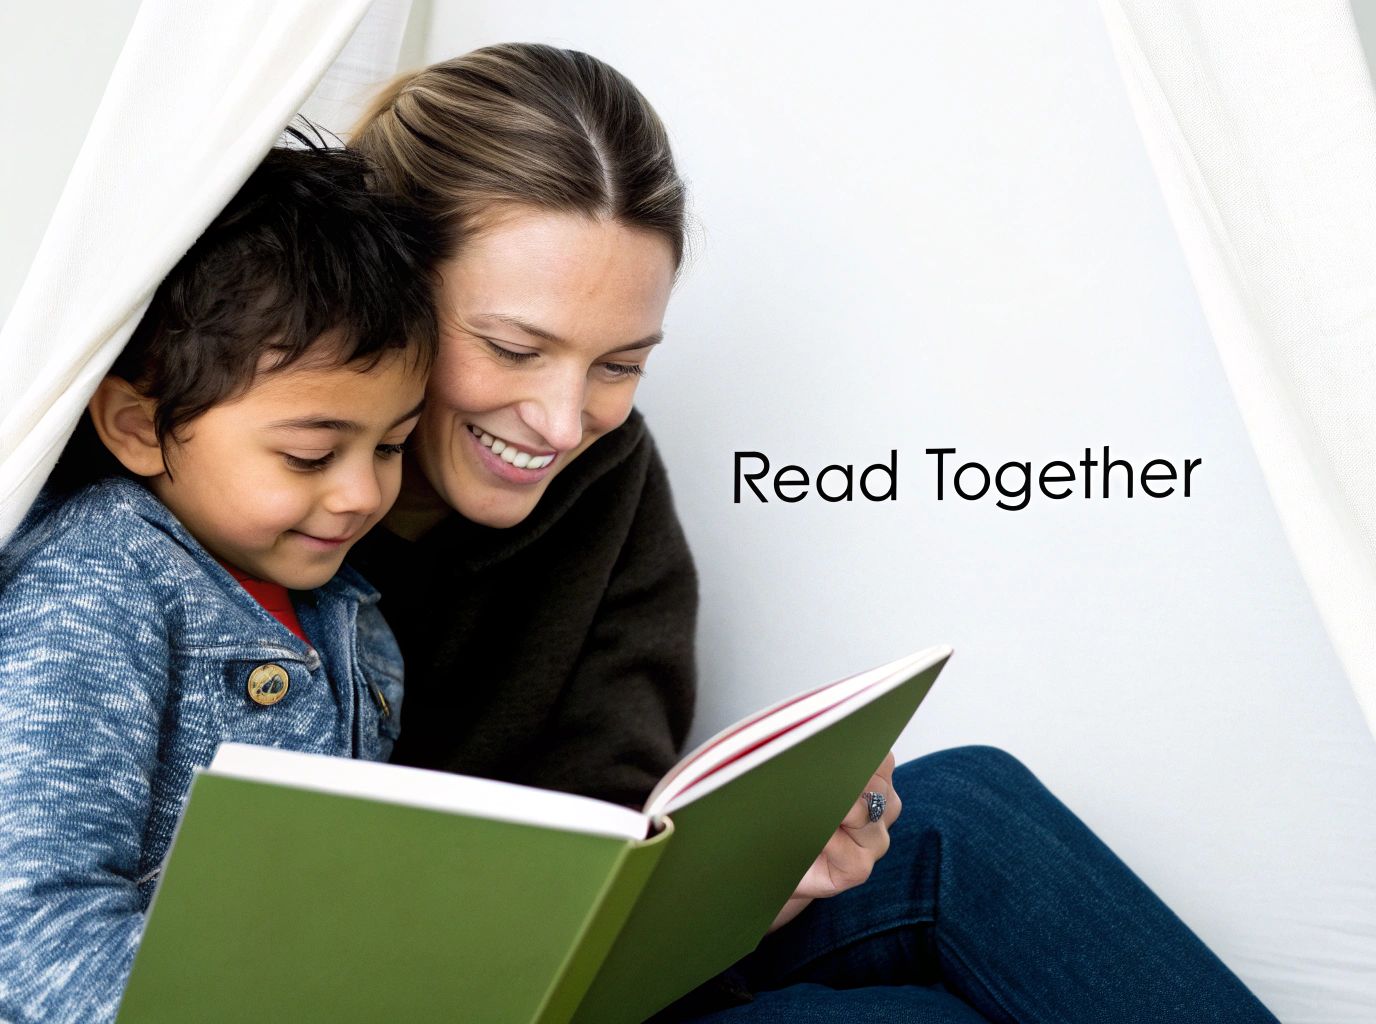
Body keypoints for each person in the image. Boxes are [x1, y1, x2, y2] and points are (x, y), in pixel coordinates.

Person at [347, 43, 1278, 1022]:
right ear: (389, 284)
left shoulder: (604, 477)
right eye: (513, 348)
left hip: (579, 971)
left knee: (969, 808)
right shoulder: (259, 500)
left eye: (619, 364)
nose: (561, 418)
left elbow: (609, 850)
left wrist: (751, 872)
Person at [0, 143, 442, 1022]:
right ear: (138, 426)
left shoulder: (359, 628)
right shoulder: (95, 589)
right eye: (310, 454)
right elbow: (30, 928)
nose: (362, 494)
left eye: (392, 446)